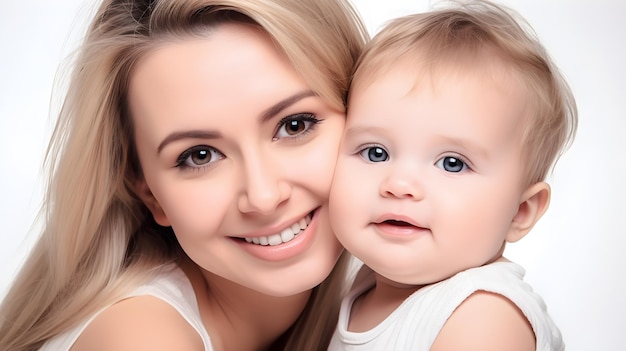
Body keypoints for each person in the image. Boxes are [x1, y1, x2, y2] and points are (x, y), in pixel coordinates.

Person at [0, 0, 368, 350]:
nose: (263, 195)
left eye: (294, 125)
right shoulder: (140, 338)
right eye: (200, 155)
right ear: (149, 193)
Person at [328, 1, 577, 350]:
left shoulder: (483, 317)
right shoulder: (360, 288)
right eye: (376, 153)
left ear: (520, 211)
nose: (399, 185)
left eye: (452, 163)